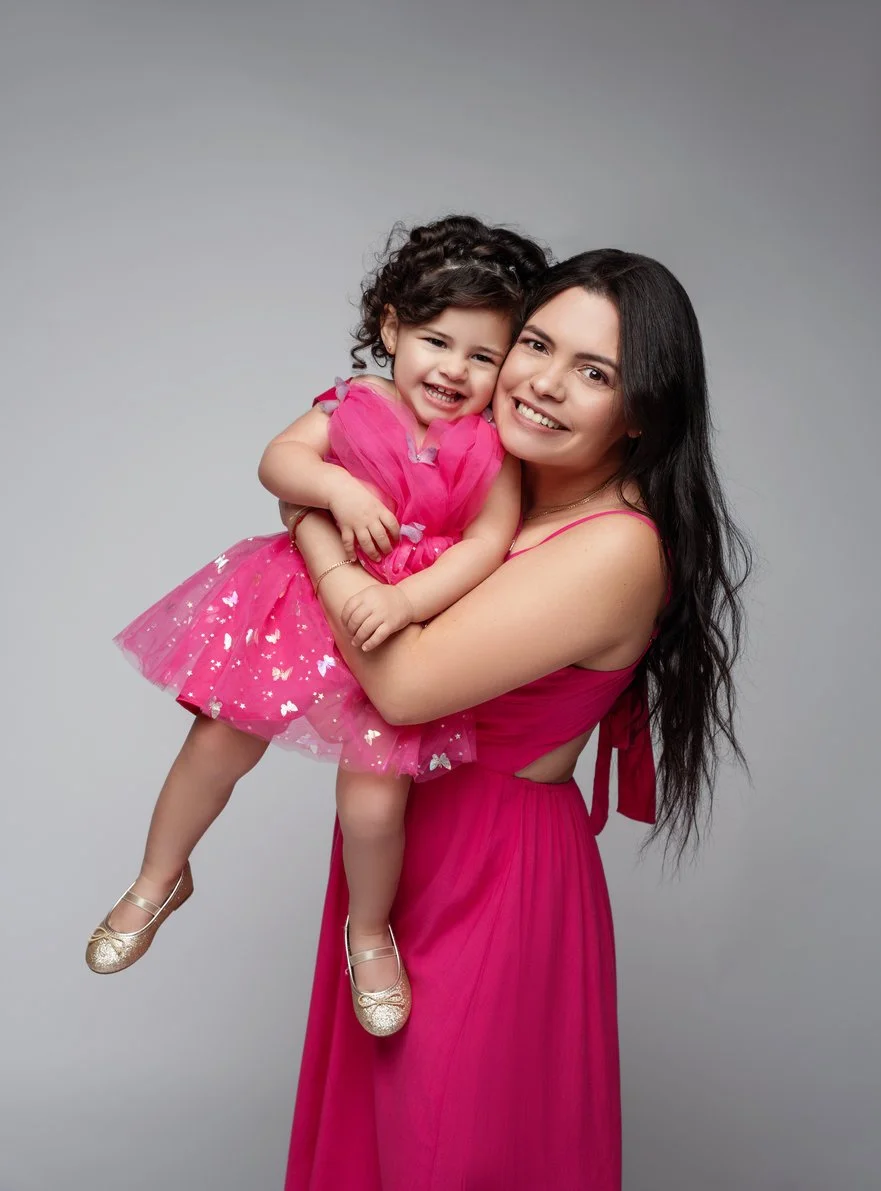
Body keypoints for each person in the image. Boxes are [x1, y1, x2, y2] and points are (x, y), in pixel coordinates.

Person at [282, 248, 750, 1190]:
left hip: (492, 870)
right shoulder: (495, 492)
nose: (540, 382)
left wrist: (312, 529)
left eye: (593, 372)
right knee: (377, 1147)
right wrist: (325, 486)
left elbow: (404, 688)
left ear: (642, 414)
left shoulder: (613, 547)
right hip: (404, 846)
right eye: (534, 343)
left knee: (451, 1146)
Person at [85, 216, 548, 1042]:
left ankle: (368, 932)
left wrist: (406, 603)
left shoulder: (492, 449)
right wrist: (337, 492)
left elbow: (487, 542)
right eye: (437, 341)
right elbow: (278, 462)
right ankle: (159, 876)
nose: (454, 369)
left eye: (483, 357)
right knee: (216, 743)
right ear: (391, 327)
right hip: (300, 607)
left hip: (396, 630)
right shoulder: (351, 403)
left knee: (373, 803)